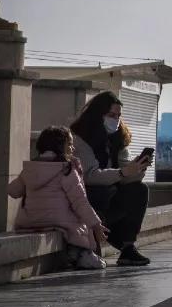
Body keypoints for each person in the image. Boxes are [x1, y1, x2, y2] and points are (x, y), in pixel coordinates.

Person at [8, 126, 109, 270]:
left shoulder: (30, 169)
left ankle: (76, 255)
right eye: (69, 144)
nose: (72, 148)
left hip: (30, 221)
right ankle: (81, 254)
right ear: (60, 145)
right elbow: (80, 201)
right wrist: (96, 224)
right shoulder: (66, 169)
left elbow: (13, 191)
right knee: (79, 225)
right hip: (60, 221)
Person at [70, 91, 152, 266]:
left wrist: (138, 169)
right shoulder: (80, 139)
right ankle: (101, 241)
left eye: (118, 116)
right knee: (104, 192)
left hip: (110, 192)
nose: (115, 120)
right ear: (98, 115)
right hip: (90, 195)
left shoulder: (117, 139)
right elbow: (90, 176)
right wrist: (123, 172)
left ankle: (128, 247)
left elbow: (123, 173)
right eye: (111, 115)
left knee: (139, 190)